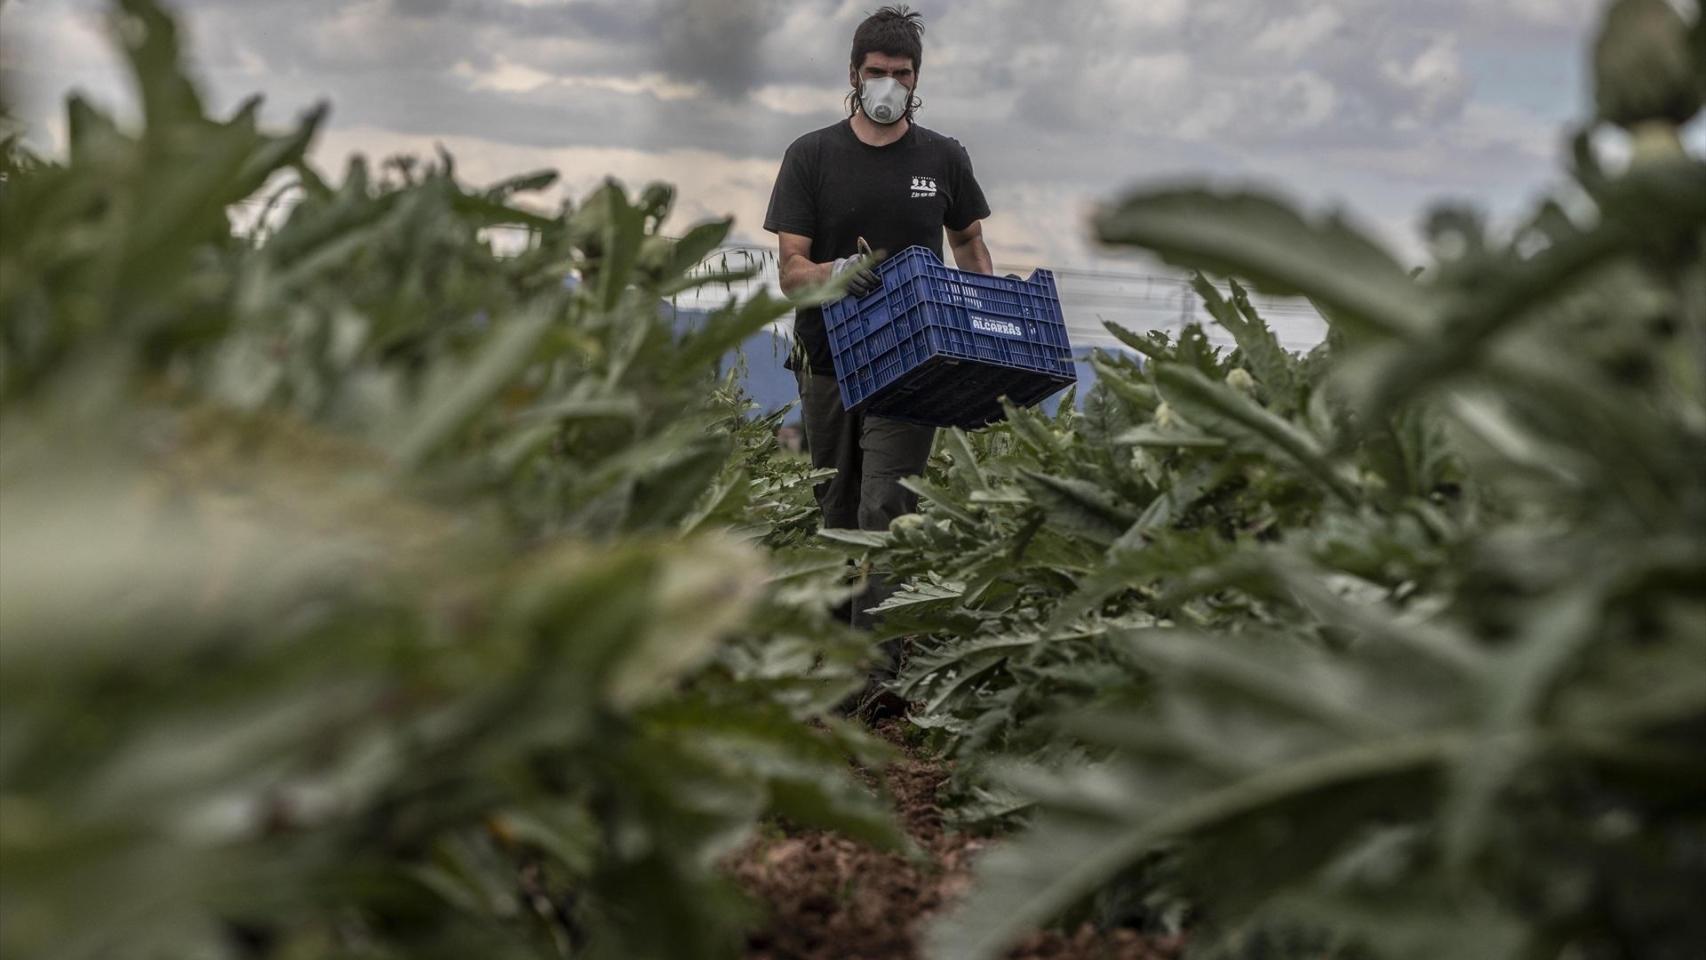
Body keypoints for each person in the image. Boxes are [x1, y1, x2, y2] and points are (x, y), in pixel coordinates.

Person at [763, 5, 994, 714]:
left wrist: (983, 324)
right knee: (835, 506)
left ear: (917, 80)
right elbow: (790, 269)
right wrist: (835, 273)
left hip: (913, 365)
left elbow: (970, 248)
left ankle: (877, 679)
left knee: (885, 510)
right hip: (829, 359)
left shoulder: (943, 158)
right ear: (854, 76)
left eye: (900, 74)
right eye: (876, 73)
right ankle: (832, 660)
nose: (887, 84)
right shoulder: (813, 155)